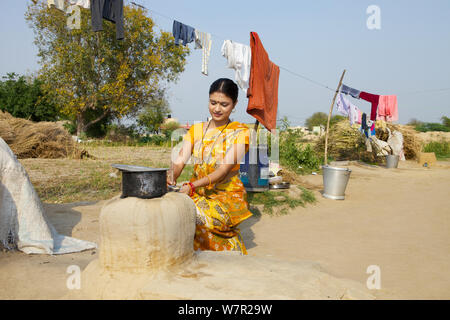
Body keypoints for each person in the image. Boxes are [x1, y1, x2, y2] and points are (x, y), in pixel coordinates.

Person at [168, 78, 252, 254]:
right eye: (213, 102)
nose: (217, 109)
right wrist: (171, 176)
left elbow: (222, 171)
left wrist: (192, 185)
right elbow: (181, 160)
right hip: (197, 192)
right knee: (170, 210)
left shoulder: (240, 133)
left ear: (234, 104)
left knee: (192, 215)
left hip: (226, 197)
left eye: (224, 104)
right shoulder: (197, 130)